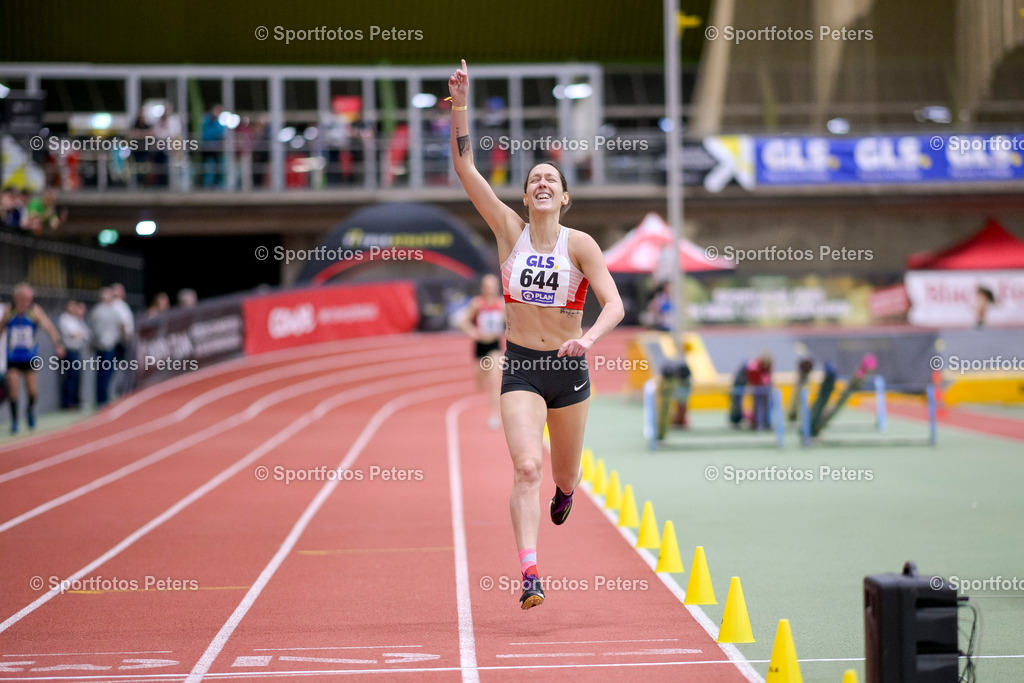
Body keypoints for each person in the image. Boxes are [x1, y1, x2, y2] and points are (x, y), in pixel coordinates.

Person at [449, 60, 624, 610]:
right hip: (522, 365)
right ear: (525, 198)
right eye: (534, 180)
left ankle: (566, 493)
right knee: (527, 466)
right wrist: (459, 104)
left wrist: (589, 341)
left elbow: (616, 303)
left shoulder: (581, 245)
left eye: (551, 178)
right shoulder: (509, 231)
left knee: (564, 472)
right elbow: (465, 168)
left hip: (569, 368)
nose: (542, 183)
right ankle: (530, 573)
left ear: (564, 197)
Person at [2, 283, 65, 433]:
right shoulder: (9, 311)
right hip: (13, 358)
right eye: (24, 298)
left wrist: (58, 344)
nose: (27, 301)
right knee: (13, 391)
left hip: (30, 358)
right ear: (17, 297)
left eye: (29, 298)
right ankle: (15, 421)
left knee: (32, 392)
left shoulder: (34, 311)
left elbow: (49, 328)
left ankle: (29, 411)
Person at [457, 274, 506, 430]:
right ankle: (486, 391)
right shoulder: (477, 304)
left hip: (494, 346)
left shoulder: (502, 305)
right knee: (480, 382)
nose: (491, 289)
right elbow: (463, 322)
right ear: (483, 287)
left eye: (493, 285)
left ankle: (494, 414)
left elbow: (511, 323)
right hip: (480, 346)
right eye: (488, 285)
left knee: (494, 381)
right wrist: (473, 332)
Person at [89, 287, 125, 407]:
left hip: (103, 346)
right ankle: (102, 399)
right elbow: (120, 325)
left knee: (102, 372)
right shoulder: (107, 311)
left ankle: (101, 398)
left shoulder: (98, 310)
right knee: (105, 372)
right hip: (107, 346)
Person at [58, 300, 89, 410]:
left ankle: (76, 400)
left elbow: (85, 333)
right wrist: (79, 333)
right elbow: (73, 334)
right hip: (69, 351)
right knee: (70, 377)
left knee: (77, 377)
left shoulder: (76, 319)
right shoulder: (64, 318)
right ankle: (68, 402)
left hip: (77, 350)